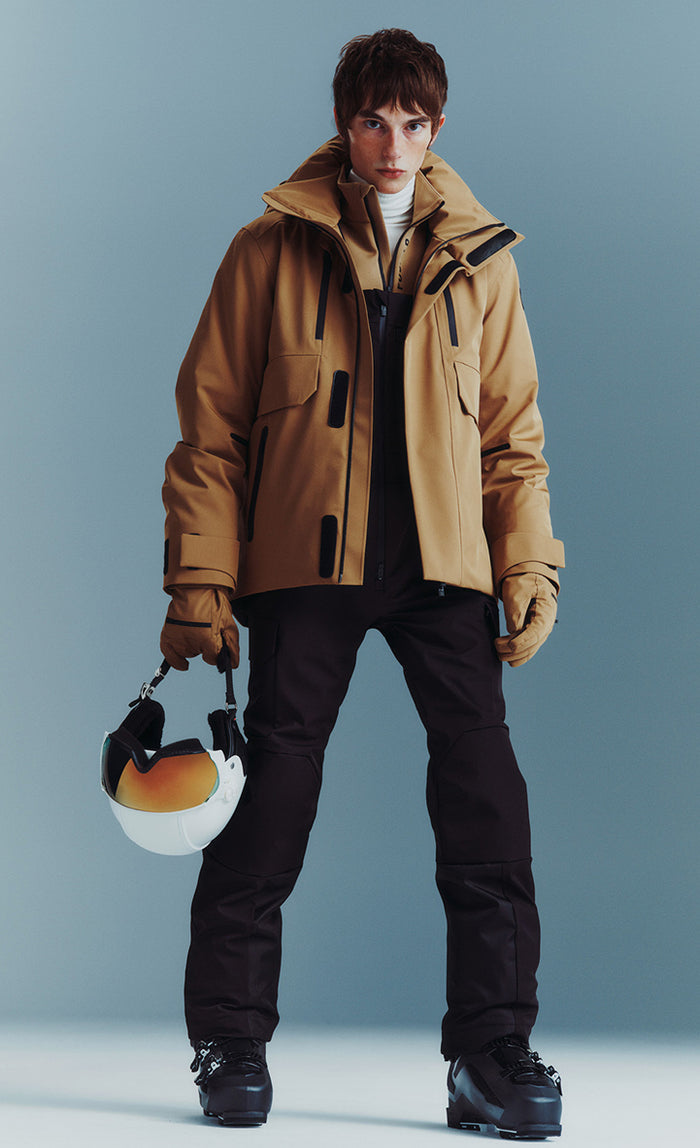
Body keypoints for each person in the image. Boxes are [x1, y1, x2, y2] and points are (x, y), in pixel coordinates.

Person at [160, 28, 565, 1138]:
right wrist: (200, 582)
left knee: (487, 801)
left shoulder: (482, 259)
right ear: (345, 125)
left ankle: (489, 1053)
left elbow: (512, 438)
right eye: (375, 121)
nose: (394, 144)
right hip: (307, 566)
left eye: (413, 123)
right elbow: (210, 434)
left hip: (443, 568)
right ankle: (230, 1042)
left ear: (438, 128)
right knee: (270, 804)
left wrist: (527, 562)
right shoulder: (266, 250)